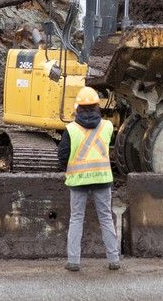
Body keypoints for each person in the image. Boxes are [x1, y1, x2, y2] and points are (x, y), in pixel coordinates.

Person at [57, 85, 121, 272]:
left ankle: (74, 261)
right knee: (106, 218)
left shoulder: (71, 129)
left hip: (78, 181)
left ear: (77, 107)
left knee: (76, 219)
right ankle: (114, 260)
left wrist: (70, 170)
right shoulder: (107, 126)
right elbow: (109, 145)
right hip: (102, 179)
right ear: (97, 106)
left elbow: (62, 156)